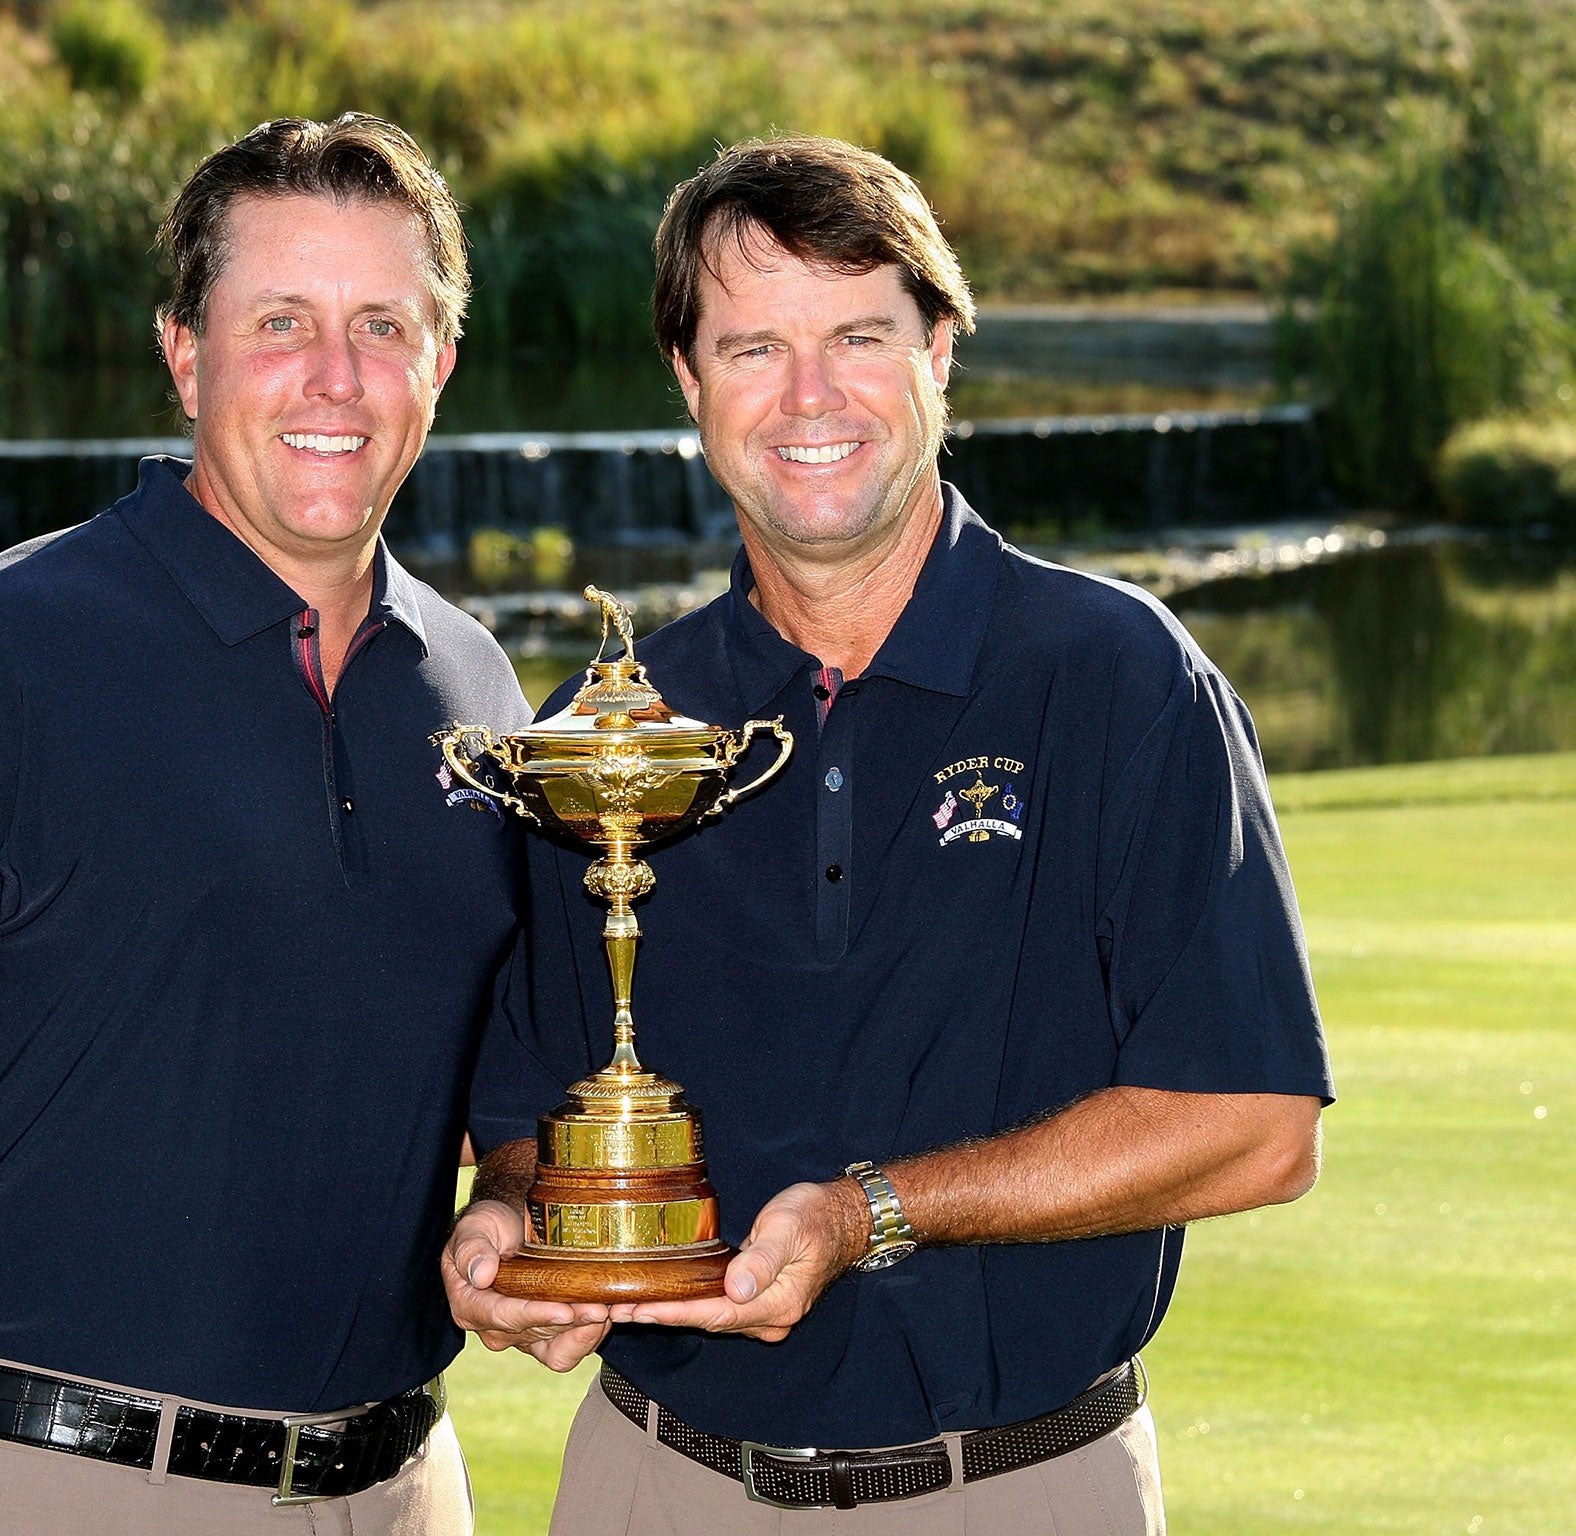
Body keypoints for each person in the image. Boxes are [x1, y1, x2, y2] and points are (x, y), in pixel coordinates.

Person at [447, 135, 1333, 1535]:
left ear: (941, 350)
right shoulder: (613, 735)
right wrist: (515, 1228)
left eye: (858, 334)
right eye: (751, 348)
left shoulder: (1117, 679)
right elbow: (527, 1110)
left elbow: (1256, 1127)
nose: (808, 397)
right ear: (689, 382)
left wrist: (872, 1214)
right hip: (652, 1484)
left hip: (1014, 1487)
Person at [0, 114, 527, 1536]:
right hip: (58, 1483)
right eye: (280, 320)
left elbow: (493, 1096)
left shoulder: (477, 693)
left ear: (441, 362)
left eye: (382, 326)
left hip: (404, 1488)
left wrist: (521, 1206)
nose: (334, 378)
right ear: (184, 350)